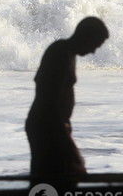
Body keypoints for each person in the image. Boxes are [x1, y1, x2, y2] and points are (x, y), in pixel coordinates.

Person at [26, 17, 109, 183]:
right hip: (47, 125)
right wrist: (60, 128)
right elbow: (48, 94)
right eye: (95, 45)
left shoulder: (68, 53)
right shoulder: (60, 52)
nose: (93, 51)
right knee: (62, 175)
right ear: (86, 37)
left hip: (50, 124)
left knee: (56, 175)